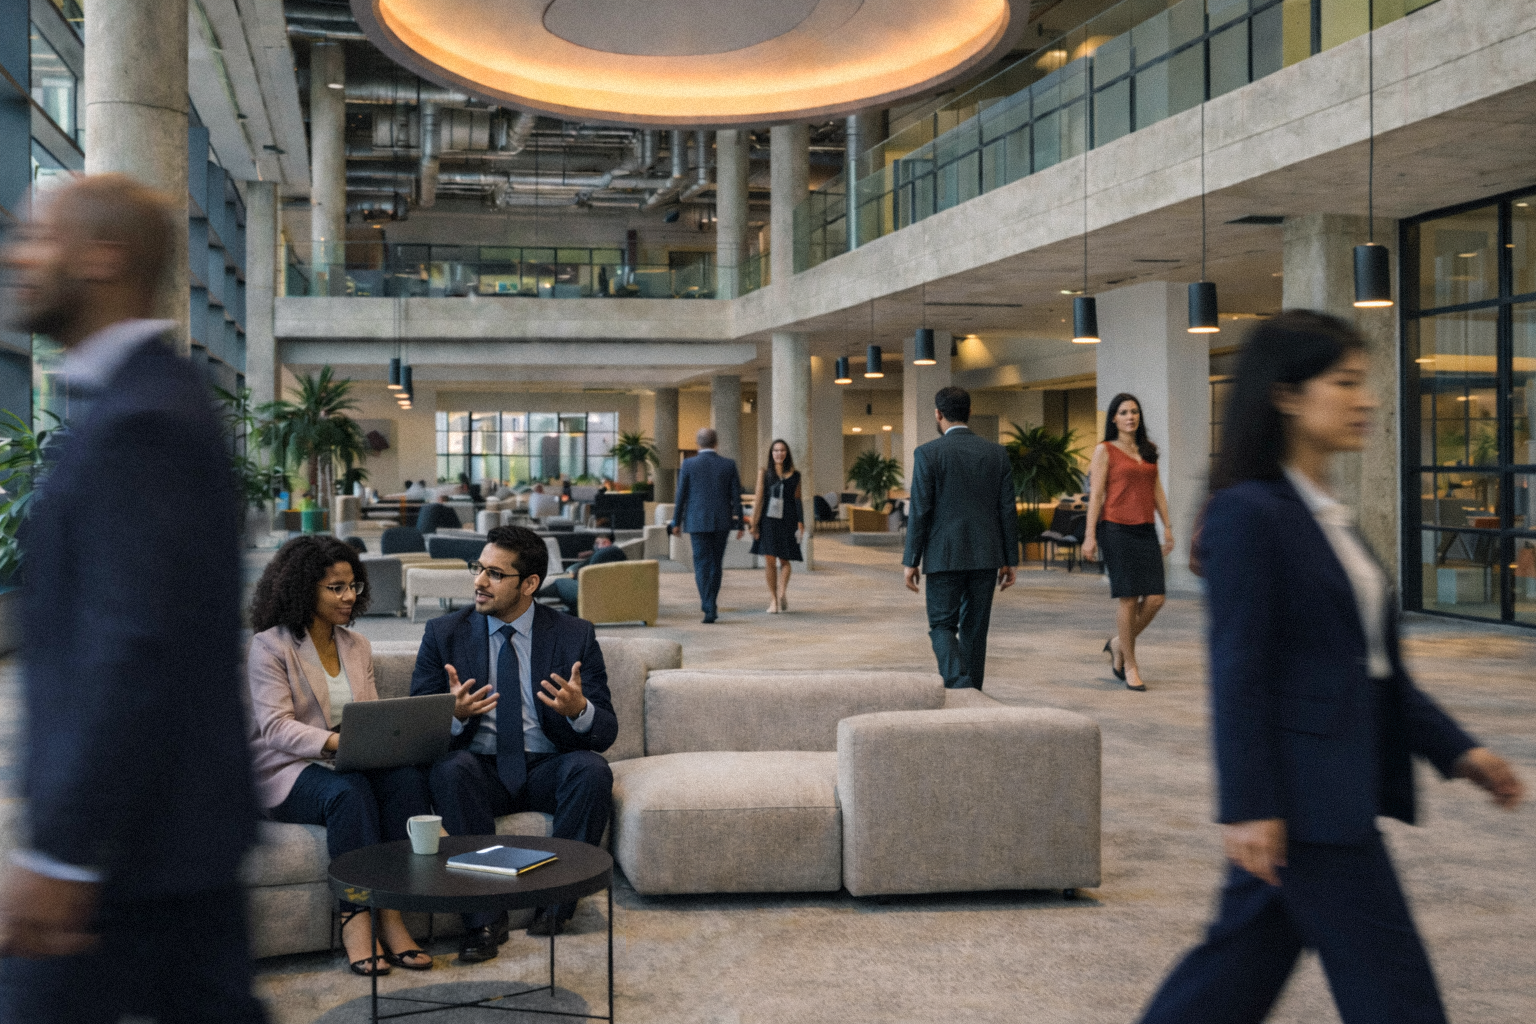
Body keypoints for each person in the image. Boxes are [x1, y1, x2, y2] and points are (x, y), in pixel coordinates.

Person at [1136, 310, 1525, 1024]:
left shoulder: (1326, 515)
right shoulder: (1249, 513)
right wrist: (1249, 804)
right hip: (1310, 806)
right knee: (1398, 999)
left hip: (1331, 791)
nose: (1366, 399)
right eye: (1344, 383)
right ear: (1286, 395)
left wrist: (1460, 750)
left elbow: (1373, 673)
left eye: (1364, 383)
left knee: (1231, 979)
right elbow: (1239, 670)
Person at [0, 174, 267, 1022]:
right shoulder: (144, 403)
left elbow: (131, 651)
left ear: (104, 257)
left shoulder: (141, 422)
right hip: (164, 842)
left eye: (39, 237)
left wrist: (65, 856)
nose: (18, 254)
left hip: (131, 852)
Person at [411, 525, 616, 954]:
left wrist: (578, 709)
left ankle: (556, 904)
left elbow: (605, 731)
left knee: (591, 769)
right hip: (478, 769)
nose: (479, 582)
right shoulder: (443, 633)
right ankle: (483, 919)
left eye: (495, 574)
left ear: (530, 584)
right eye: (478, 568)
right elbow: (415, 729)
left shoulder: (574, 634)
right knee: (451, 770)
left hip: (546, 765)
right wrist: (450, 716)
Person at [247, 536, 435, 977]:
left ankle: (391, 912)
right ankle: (355, 917)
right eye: (336, 587)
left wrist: (381, 741)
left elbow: (366, 714)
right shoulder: (269, 646)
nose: (349, 596)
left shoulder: (357, 645)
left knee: (406, 780)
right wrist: (336, 744)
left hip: (346, 758)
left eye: (352, 586)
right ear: (303, 589)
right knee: (347, 793)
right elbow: (275, 728)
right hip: (287, 769)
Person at [902, 386, 1018, 690]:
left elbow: (920, 510)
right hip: (986, 555)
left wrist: (910, 560)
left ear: (938, 414)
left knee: (941, 625)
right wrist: (1010, 560)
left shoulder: (928, 453)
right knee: (975, 630)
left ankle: (958, 683)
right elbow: (1006, 510)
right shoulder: (996, 453)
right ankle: (972, 692)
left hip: (943, 555)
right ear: (970, 412)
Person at [1080, 393, 1175, 692]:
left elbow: (1156, 489)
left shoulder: (1148, 451)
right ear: (1114, 418)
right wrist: (1090, 534)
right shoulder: (1104, 450)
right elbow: (1096, 495)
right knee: (1129, 598)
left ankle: (1119, 642)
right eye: (1123, 412)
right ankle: (1131, 665)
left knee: (1156, 598)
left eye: (1134, 411)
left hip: (1145, 529)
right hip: (1115, 529)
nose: (1130, 417)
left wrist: (1168, 528)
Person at [669, 427, 745, 623]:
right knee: (715, 564)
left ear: (697, 443)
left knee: (701, 564)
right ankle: (710, 603)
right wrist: (740, 523)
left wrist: (676, 521)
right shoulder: (728, 464)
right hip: (722, 521)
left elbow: (681, 495)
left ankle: (708, 604)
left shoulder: (688, 464)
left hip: (696, 521)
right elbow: (736, 496)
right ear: (716, 443)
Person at [749, 438, 804, 614]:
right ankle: (773, 599)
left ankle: (782, 592)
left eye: (782, 450)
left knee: (785, 560)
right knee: (769, 560)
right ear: (771, 454)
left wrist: (800, 523)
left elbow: (797, 500)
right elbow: (759, 499)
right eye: (775, 451)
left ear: (787, 454)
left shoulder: (796, 475)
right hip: (768, 521)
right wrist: (754, 524)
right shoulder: (764, 473)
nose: (779, 453)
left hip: (787, 521)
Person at [538, 534, 626, 615]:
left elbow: (590, 573)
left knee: (559, 582)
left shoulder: (607, 553)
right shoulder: (613, 554)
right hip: (600, 593)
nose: (595, 546)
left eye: (597, 543)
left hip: (587, 591)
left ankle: (531, 591)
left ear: (606, 542)